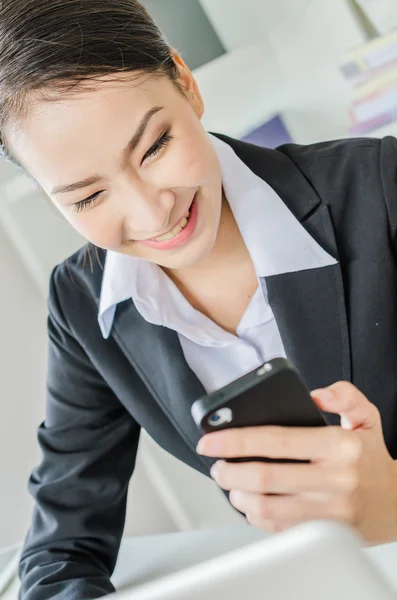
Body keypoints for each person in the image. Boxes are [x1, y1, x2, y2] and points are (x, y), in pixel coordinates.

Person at [1, 0, 397, 598]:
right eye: (86, 198)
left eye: (155, 146)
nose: (151, 211)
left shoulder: (381, 190)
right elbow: (63, 543)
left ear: (186, 83)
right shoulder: (84, 303)